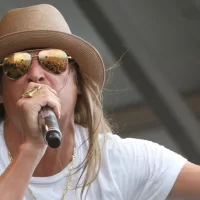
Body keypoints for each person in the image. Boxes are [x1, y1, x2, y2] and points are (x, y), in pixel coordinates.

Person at [0, 3, 199, 200]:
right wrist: (31, 148)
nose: (35, 74)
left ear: (78, 83)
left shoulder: (120, 161)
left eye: (53, 61)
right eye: (16, 65)